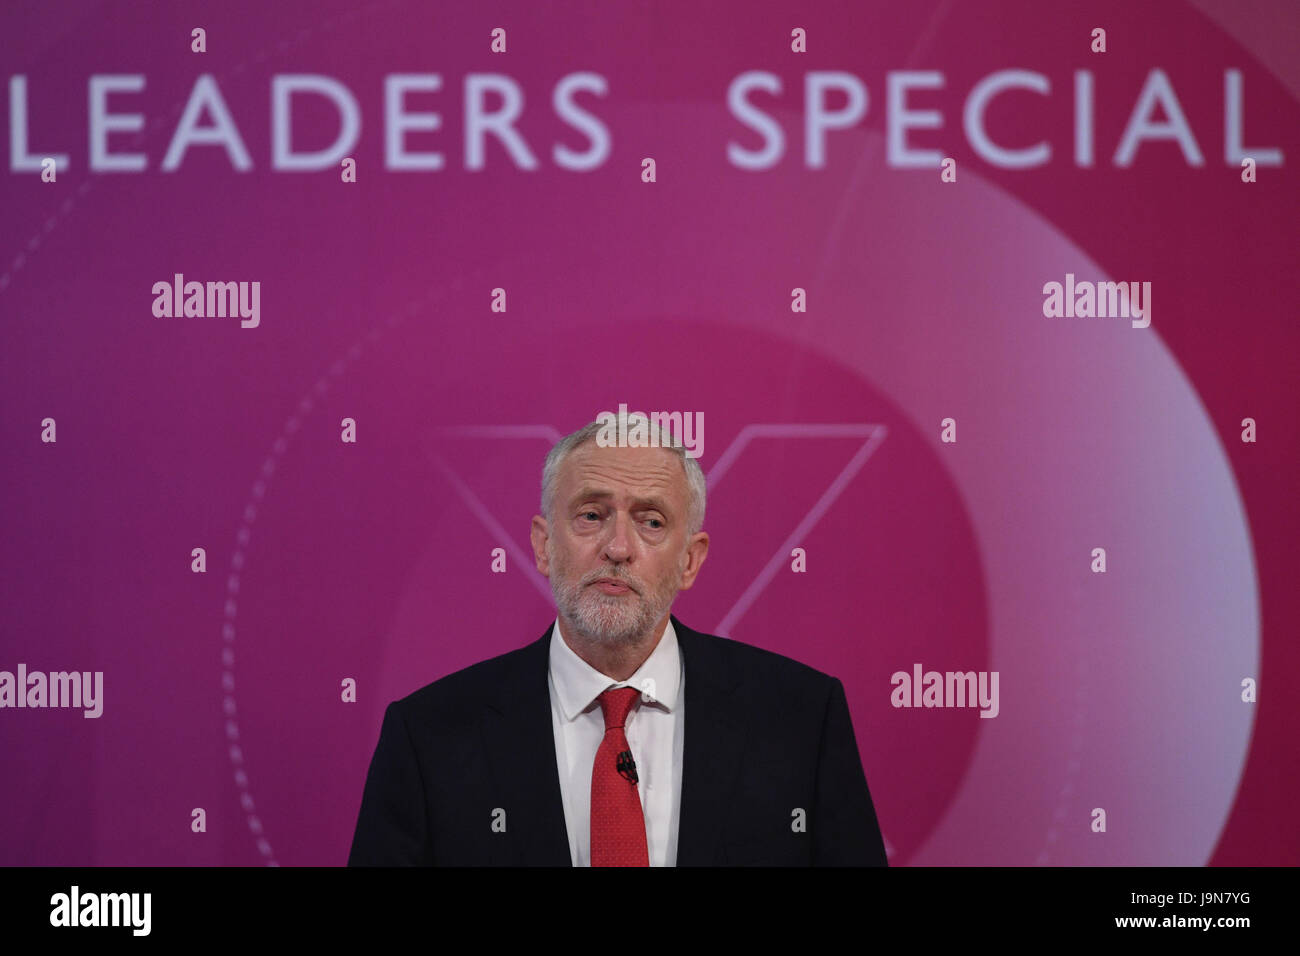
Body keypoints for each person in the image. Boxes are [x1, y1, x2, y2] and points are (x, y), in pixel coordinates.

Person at [348, 412, 888, 866]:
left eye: (651, 522)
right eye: (591, 515)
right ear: (542, 545)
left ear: (690, 560)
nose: (619, 547)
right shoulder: (428, 736)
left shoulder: (801, 719)